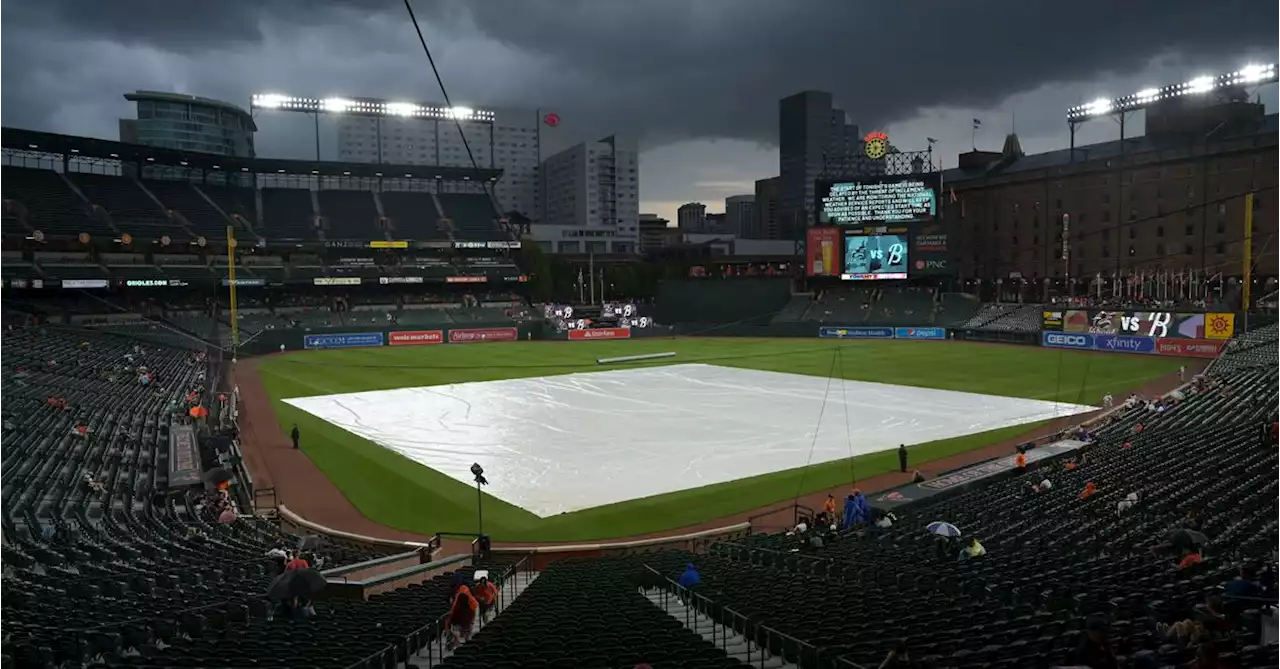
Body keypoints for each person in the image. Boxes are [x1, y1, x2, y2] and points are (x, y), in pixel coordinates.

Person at [446, 583, 479, 647]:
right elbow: (473, 615)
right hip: (466, 624)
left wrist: (449, 623)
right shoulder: (470, 608)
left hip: (460, 624)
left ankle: (456, 644)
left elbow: (452, 615)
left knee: (457, 633)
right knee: (466, 635)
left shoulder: (457, 607)